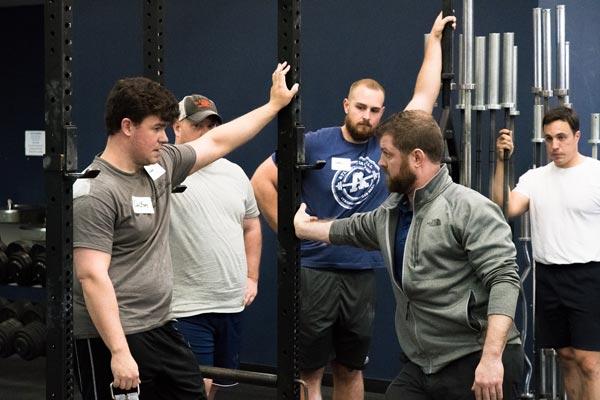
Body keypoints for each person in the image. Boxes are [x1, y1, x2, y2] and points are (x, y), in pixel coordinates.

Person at [251, 12, 456, 400]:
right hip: (315, 271)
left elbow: (425, 97)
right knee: (308, 372)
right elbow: (261, 179)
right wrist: (289, 234)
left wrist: (432, 44)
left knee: (350, 368)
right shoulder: (315, 142)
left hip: (362, 271)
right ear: (347, 104)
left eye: (375, 110)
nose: (367, 116)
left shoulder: (389, 142)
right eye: (360, 107)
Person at [72, 63, 297, 400]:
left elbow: (219, 141)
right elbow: (91, 276)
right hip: (111, 336)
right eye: (158, 128)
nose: (165, 137)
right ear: (127, 126)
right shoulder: (95, 192)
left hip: (161, 326)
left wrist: (273, 105)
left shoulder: (159, 166)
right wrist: (119, 352)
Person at [294, 110, 524, 400]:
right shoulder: (393, 211)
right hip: (423, 364)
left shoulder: (469, 208)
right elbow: (349, 229)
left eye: (388, 154)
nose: (380, 162)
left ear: (416, 158)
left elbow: (504, 280)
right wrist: (304, 228)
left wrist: (491, 359)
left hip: (475, 357)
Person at [493, 106, 600, 400]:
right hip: (549, 276)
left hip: (589, 276)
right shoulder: (534, 178)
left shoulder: (595, 174)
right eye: (549, 138)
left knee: (590, 363)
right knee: (565, 356)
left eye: (562, 137)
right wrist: (503, 161)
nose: (555, 145)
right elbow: (505, 209)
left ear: (578, 136)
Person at [169, 94, 261, 400]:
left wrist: (252, 277)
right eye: (198, 125)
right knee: (197, 387)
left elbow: (251, 226)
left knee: (215, 386)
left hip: (229, 304)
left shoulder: (234, 173)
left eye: (212, 124)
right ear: (176, 128)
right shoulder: (164, 171)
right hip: (187, 306)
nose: (207, 131)